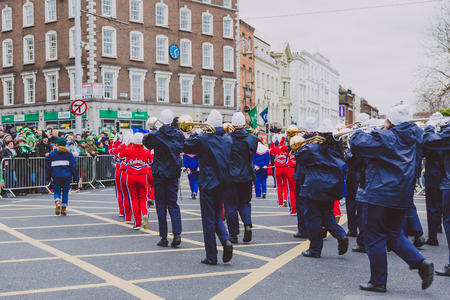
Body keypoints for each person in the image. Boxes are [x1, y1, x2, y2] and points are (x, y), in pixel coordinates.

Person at [350, 105, 434, 292]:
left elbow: (356, 144)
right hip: (401, 195)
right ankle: (422, 264)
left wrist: (363, 130)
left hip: (379, 195)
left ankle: (378, 281)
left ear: (391, 121)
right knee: (395, 235)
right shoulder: (413, 137)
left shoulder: (386, 137)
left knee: (375, 238)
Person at [183, 109, 233, 265]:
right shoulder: (227, 139)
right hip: (223, 183)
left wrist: (196, 132)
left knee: (208, 220)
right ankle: (226, 240)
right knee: (216, 216)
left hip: (208, 182)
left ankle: (211, 255)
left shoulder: (203, 138)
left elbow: (186, 145)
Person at [296, 119, 349, 258]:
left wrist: (308, 142)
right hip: (331, 187)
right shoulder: (337, 149)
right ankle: (341, 235)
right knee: (327, 215)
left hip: (314, 187)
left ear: (319, 133)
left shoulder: (312, 148)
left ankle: (315, 249)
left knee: (312, 219)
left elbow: (298, 156)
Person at [143, 109, 185, 248]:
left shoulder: (155, 134)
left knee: (161, 205)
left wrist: (157, 128)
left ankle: (164, 237)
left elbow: (146, 142)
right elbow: (183, 146)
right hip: (173, 172)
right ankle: (177, 234)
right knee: (173, 204)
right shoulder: (178, 134)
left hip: (160, 172)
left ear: (161, 120)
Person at [422, 116, 450, 277]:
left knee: (442, 215)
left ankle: (433, 236)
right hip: (443, 177)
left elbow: (427, 142)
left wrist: (430, 127)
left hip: (442, 179)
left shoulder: (444, 135)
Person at [225, 111, 258, 244]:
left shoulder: (227, 138)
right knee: (245, 203)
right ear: (244, 124)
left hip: (231, 176)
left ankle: (233, 235)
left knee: (231, 205)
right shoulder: (253, 139)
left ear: (233, 124)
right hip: (246, 175)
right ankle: (248, 225)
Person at [120, 133, 151, 230]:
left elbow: (119, 155)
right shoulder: (146, 151)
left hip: (131, 176)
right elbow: (150, 162)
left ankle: (137, 223)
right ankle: (145, 213)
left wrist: (127, 144)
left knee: (134, 199)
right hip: (142, 176)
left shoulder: (128, 150)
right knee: (143, 198)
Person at [45, 138, 79, 216]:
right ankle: (63, 210)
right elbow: (73, 167)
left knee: (57, 191)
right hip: (66, 176)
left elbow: (48, 167)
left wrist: (48, 177)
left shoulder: (52, 154)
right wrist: (76, 178)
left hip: (56, 175)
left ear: (57, 144)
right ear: (65, 144)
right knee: (65, 193)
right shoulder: (69, 154)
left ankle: (57, 202)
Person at [269, 135, 289, 207]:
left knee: (279, 185)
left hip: (278, 168)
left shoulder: (275, 148)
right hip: (286, 167)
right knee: (286, 184)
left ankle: (280, 202)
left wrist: (272, 143)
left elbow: (269, 151)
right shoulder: (286, 147)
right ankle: (285, 198)